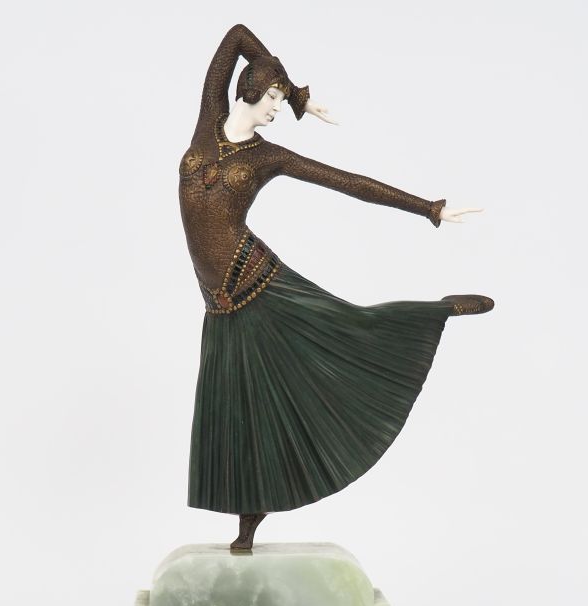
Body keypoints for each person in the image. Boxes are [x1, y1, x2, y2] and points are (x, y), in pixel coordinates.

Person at [180, 24, 493, 550]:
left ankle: (434, 312)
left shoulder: (267, 157)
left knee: (350, 327)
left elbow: (348, 183)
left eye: (280, 100)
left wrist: (428, 208)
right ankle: (248, 521)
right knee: (239, 409)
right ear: (248, 90)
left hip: (259, 283)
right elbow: (236, 36)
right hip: (220, 305)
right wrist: (299, 94)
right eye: (271, 98)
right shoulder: (207, 122)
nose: (276, 109)